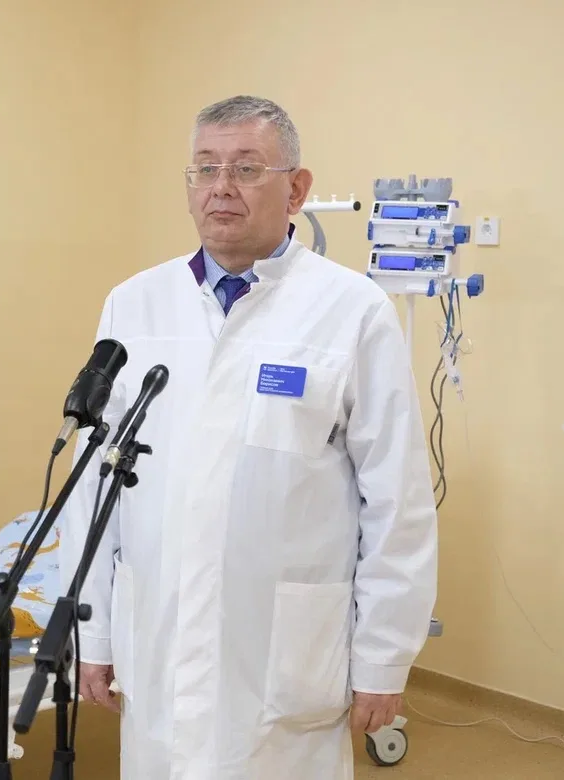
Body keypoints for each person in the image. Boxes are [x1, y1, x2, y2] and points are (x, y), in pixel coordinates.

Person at [59, 95, 438, 779]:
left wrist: (384, 658)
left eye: (246, 168)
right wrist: (95, 630)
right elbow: (95, 486)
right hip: (161, 639)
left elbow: (397, 502)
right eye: (204, 168)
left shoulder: (353, 312)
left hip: (283, 659)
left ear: (297, 189)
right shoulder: (134, 304)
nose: (221, 187)